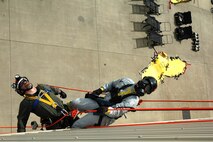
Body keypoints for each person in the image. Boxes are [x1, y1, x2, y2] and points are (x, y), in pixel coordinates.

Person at [68, 76, 157, 128]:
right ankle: (63, 113)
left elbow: (118, 111)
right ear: (142, 80)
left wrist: (107, 110)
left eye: (148, 89)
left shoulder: (133, 101)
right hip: (102, 102)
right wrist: (100, 90)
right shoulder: (126, 80)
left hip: (106, 116)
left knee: (77, 125)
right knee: (75, 102)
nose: (144, 88)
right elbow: (111, 85)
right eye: (146, 84)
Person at [11, 74, 77, 132]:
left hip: (68, 114)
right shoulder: (26, 102)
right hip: (55, 125)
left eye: (25, 81)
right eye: (22, 84)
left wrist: (60, 92)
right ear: (21, 90)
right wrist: (21, 134)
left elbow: (52, 89)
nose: (25, 83)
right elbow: (22, 120)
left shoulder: (42, 87)